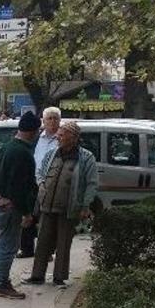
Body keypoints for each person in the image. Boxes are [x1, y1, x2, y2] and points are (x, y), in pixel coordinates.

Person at [23, 121, 97, 286]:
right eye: (58, 134)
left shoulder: (86, 157)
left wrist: (85, 205)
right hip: (47, 205)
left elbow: (92, 183)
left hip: (69, 207)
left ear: (73, 138)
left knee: (64, 243)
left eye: (62, 135)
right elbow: (41, 172)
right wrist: (42, 185)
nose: (58, 137)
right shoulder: (52, 153)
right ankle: (37, 275)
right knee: (42, 241)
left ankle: (59, 277)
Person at [0, 111, 40, 299]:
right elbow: (22, 187)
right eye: (37, 131)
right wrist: (27, 212)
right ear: (33, 131)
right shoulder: (24, 153)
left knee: (3, 240)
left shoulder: (8, 147)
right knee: (10, 246)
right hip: (11, 205)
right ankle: (1, 283)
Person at [18, 107, 61, 258]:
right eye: (49, 118)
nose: (53, 121)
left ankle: (46, 251)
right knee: (29, 215)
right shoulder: (36, 138)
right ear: (43, 121)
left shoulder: (62, 139)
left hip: (50, 185)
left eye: (56, 118)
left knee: (47, 220)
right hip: (32, 183)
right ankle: (26, 249)